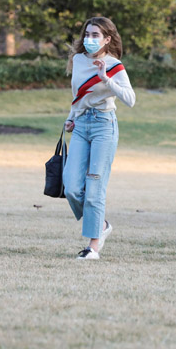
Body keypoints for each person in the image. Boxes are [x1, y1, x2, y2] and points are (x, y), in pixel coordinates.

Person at [63, 17, 136, 260]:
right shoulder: (78, 60)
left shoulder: (115, 65)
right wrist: (72, 116)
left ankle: (93, 246)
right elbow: (77, 95)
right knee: (72, 186)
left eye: (96, 35)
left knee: (95, 187)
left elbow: (130, 99)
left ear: (107, 39)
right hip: (82, 125)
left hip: (104, 125)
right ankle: (102, 225)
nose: (90, 39)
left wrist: (107, 79)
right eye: (88, 34)